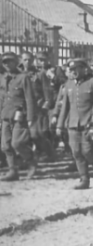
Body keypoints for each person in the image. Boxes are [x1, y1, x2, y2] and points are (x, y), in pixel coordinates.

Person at [57, 59, 93, 189]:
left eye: (76, 69)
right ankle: (84, 179)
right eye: (71, 70)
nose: (73, 72)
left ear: (83, 69)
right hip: (73, 124)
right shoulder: (68, 85)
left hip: (90, 123)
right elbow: (65, 106)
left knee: (87, 150)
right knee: (76, 152)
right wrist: (59, 125)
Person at [0, 52, 37, 181]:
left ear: (16, 62)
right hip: (5, 114)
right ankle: (13, 171)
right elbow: (2, 98)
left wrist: (31, 117)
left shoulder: (23, 78)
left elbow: (30, 98)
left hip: (19, 115)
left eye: (9, 61)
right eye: (4, 62)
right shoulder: (3, 78)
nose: (7, 64)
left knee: (17, 143)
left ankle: (31, 161)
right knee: (5, 145)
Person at [20, 51, 54, 161]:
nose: (27, 62)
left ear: (33, 60)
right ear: (21, 60)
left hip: (37, 108)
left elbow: (47, 92)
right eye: (25, 60)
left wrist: (46, 105)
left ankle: (49, 153)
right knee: (22, 135)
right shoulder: (18, 74)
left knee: (37, 135)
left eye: (30, 60)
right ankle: (27, 157)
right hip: (22, 109)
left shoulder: (39, 74)